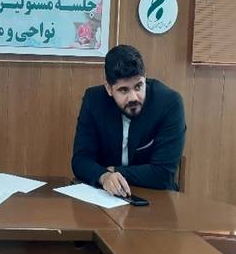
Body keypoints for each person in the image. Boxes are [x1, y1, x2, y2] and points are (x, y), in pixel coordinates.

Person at [72, 44, 186, 195]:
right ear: (109, 89)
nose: (133, 97)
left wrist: (114, 171)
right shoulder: (94, 100)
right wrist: (104, 177)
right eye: (123, 90)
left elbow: (163, 174)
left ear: (145, 78)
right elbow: (81, 160)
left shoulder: (169, 103)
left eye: (138, 86)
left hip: (156, 196)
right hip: (105, 195)